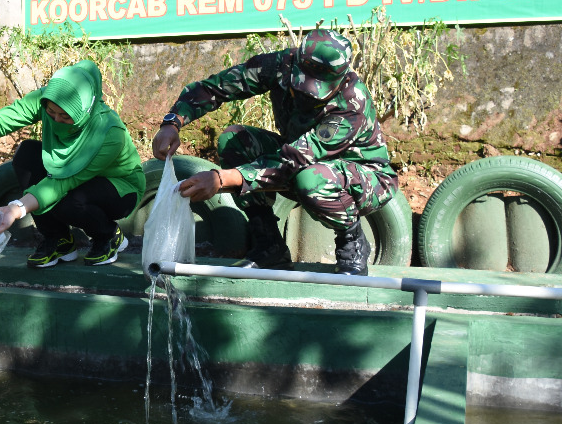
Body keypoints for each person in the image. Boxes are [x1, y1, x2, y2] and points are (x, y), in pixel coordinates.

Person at [152, 26, 398, 276]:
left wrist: (221, 179)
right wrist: (172, 123)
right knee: (234, 140)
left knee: (311, 178)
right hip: (300, 166)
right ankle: (269, 246)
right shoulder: (280, 65)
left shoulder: (352, 102)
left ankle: (352, 242)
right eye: (301, 84)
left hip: (364, 178)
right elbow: (215, 88)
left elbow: (293, 160)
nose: (306, 93)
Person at [0, 59, 145, 268]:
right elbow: (6, 117)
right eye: (51, 113)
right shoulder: (49, 99)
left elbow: (63, 183)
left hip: (118, 187)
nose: (56, 121)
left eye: (65, 116)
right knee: (27, 154)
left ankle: (107, 235)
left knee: (68, 200)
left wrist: (16, 209)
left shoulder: (108, 132)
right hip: (68, 177)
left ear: (85, 111)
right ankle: (58, 239)